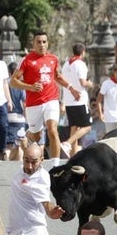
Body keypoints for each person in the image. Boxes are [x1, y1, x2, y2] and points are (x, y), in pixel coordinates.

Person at [10, 31, 81, 161]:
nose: (42, 45)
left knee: (53, 130)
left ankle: (55, 165)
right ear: (34, 44)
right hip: (34, 103)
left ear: (47, 43)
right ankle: (25, 142)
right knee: (35, 138)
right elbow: (13, 81)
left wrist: (72, 89)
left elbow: (57, 76)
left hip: (51, 100)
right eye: (39, 42)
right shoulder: (26, 60)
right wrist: (30, 87)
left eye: (44, 42)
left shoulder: (53, 59)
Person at [60, 43, 94, 156]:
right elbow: (83, 82)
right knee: (87, 127)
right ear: (83, 52)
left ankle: (73, 156)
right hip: (79, 99)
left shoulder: (66, 64)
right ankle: (67, 143)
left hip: (69, 100)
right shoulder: (80, 64)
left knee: (74, 128)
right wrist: (90, 83)